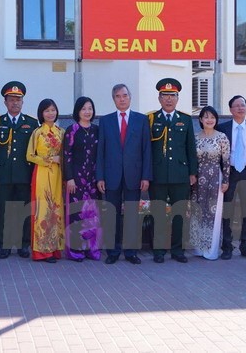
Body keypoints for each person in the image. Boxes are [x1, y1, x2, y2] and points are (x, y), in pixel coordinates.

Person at [97, 84, 152, 265]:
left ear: (130, 97)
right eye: (118, 96)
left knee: (131, 215)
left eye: (125, 95)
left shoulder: (141, 120)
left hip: (134, 175)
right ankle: (113, 252)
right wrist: (100, 177)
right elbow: (101, 152)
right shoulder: (105, 121)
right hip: (111, 176)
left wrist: (145, 176)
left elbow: (146, 150)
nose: (122, 99)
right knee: (112, 215)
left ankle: (131, 252)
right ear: (113, 99)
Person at [0, 81, 38, 259]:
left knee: (24, 210)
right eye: (11, 100)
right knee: (4, 210)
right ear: (5, 102)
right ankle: (5, 246)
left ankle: (23, 245)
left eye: (18, 100)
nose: (15, 103)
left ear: (23, 102)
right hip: (3, 175)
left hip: (24, 174)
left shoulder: (31, 123)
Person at [148, 78, 198, 264]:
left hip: (180, 175)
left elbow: (190, 148)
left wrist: (193, 173)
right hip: (158, 175)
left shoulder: (184, 119)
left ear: (177, 98)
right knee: (158, 214)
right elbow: (146, 149)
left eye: (172, 96)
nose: (169, 99)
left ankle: (178, 250)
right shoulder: (151, 119)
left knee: (179, 215)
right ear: (159, 98)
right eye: (165, 96)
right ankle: (159, 251)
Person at [216, 95, 246, 260]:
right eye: (236, 106)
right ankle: (227, 247)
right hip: (230, 173)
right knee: (227, 210)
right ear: (230, 110)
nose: (240, 108)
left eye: (243, 105)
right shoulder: (222, 128)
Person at [26, 98, 65, 262]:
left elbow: (66, 155)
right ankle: (42, 251)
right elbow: (29, 155)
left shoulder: (62, 132)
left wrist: (60, 160)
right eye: (47, 110)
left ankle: (55, 248)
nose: (51, 113)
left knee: (56, 209)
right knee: (43, 209)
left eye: (53, 110)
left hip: (58, 174)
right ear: (41, 113)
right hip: (42, 173)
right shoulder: (37, 133)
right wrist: (48, 160)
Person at [63, 96, 101, 261]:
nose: (87, 112)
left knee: (92, 215)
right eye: (84, 108)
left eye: (90, 108)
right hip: (76, 180)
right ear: (78, 111)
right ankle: (75, 250)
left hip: (92, 179)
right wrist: (69, 178)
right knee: (77, 214)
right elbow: (67, 156)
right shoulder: (72, 130)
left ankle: (91, 249)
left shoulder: (97, 130)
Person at [190, 106, 230, 260]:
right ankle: (199, 247)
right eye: (206, 117)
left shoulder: (221, 137)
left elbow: (226, 161)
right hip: (197, 180)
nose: (209, 120)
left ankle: (210, 249)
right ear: (200, 119)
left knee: (212, 213)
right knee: (198, 212)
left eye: (212, 117)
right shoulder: (195, 137)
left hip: (215, 180)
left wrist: (226, 180)